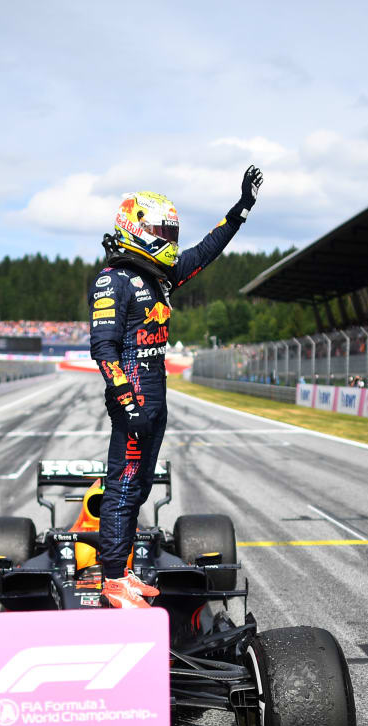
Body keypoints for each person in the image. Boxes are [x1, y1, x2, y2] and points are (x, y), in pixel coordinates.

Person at [90, 166, 263, 608]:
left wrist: (240, 210)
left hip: (155, 399)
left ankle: (121, 572)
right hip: (135, 400)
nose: (169, 238)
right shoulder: (115, 279)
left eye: (171, 230)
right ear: (135, 227)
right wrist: (124, 397)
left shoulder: (157, 276)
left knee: (140, 486)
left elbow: (205, 252)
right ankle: (113, 579)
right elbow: (103, 347)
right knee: (124, 485)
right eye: (162, 230)